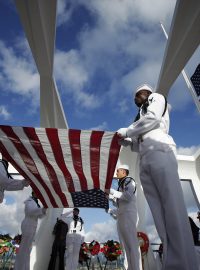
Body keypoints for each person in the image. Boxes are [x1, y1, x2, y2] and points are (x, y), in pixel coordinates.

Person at [117, 83, 198, 269]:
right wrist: (128, 141)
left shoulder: (156, 98)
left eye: (138, 95)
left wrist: (128, 131)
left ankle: (184, 263)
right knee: (158, 212)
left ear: (146, 92)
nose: (136, 99)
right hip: (145, 156)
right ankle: (172, 260)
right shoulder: (138, 116)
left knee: (172, 205)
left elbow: (153, 119)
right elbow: (138, 144)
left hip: (160, 149)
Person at [107, 164, 142, 270]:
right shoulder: (121, 184)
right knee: (125, 246)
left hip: (128, 215)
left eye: (118, 171)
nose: (116, 173)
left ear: (124, 171)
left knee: (132, 244)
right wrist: (108, 196)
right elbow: (119, 202)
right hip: (122, 215)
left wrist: (112, 191)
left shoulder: (129, 181)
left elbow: (127, 196)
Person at [14, 191, 46, 270]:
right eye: (38, 193)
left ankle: (25, 267)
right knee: (24, 248)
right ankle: (19, 267)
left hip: (33, 225)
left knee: (27, 249)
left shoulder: (35, 202)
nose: (39, 195)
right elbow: (30, 211)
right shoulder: (29, 201)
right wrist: (41, 209)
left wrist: (44, 211)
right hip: (28, 223)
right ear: (34, 193)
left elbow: (40, 216)